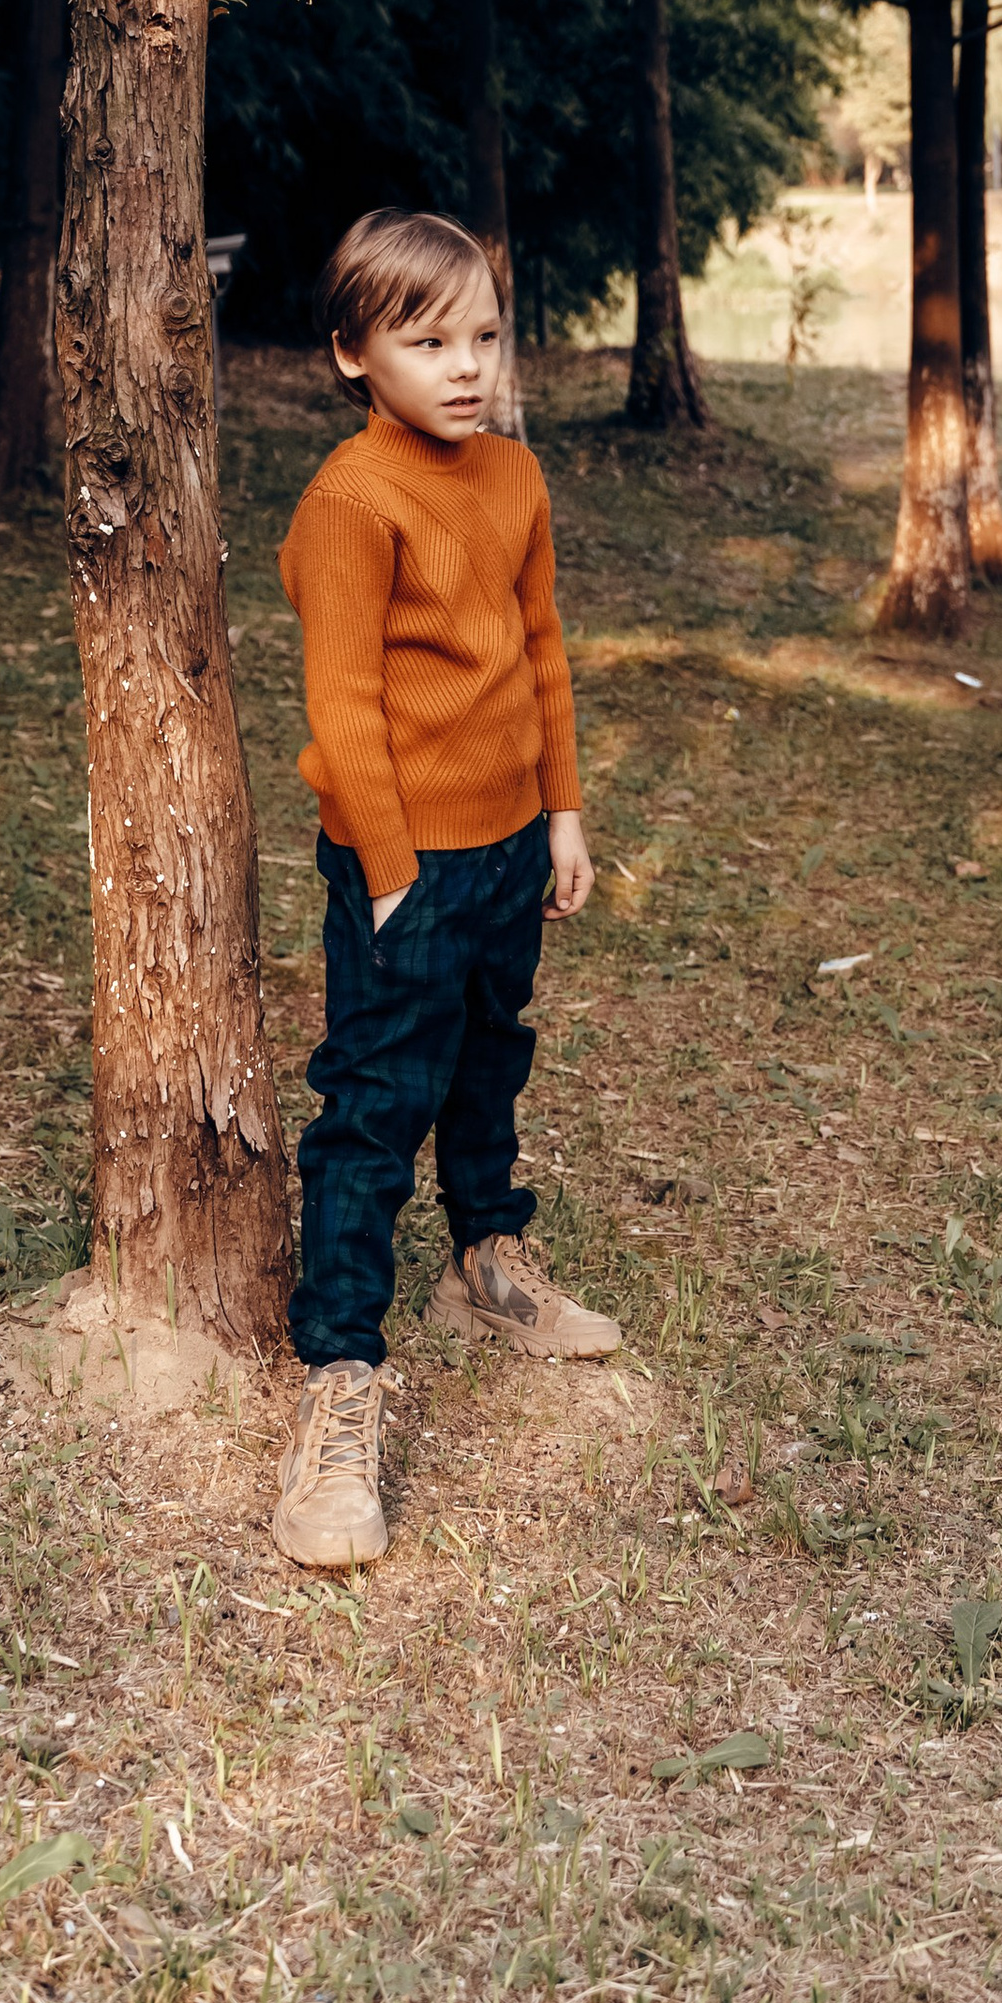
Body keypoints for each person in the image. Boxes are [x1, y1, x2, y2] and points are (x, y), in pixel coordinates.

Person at [271, 208, 620, 1569]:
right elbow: (344, 707)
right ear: (355, 355)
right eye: (427, 343)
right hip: (395, 865)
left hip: (512, 847)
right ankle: (338, 1384)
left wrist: (564, 815)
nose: (465, 367)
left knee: (489, 1066)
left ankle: (490, 1260)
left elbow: (540, 652)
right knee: (372, 1108)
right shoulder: (351, 500)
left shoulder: (515, 478)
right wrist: (395, 878)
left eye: (483, 335)